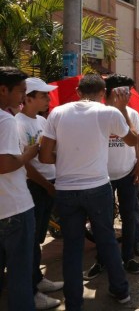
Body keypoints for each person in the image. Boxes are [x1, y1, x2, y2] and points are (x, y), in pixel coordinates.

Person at [39, 74, 138, 308]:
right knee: (107, 241)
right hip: (97, 187)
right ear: (104, 92)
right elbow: (133, 141)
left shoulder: (57, 112)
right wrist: (123, 109)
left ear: (77, 90)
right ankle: (121, 291)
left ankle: (73, 303)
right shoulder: (109, 112)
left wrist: (66, 157)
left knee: (72, 247)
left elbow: (44, 156)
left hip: (65, 189)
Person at [84, 74, 139, 281]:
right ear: (109, 92)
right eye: (123, 91)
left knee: (129, 217)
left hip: (127, 172)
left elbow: (138, 139)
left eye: (129, 91)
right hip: (101, 176)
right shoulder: (96, 113)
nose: (127, 95)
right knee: (102, 221)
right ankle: (102, 259)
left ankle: (128, 257)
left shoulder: (133, 113)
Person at [15, 78, 63, 309]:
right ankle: (32, 292)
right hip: (35, 187)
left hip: (47, 185)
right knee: (30, 240)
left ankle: (37, 279)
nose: (48, 99)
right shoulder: (18, 123)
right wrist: (47, 185)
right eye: (43, 95)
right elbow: (25, 165)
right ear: (28, 98)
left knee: (38, 238)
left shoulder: (43, 120)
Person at [0, 67, 39, 311]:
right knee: (20, 272)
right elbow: (4, 164)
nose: (23, 97)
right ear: (3, 90)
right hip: (14, 206)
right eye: (21, 91)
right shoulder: (5, 120)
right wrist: (28, 154)